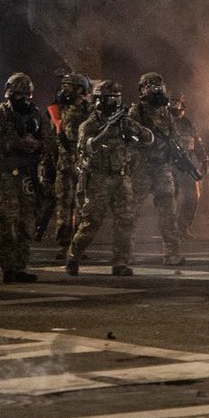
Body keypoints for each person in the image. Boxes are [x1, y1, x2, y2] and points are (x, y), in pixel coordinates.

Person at [66, 80, 153, 276]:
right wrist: (104, 134)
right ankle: (73, 255)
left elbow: (149, 138)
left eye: (116, 98)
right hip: (98, 178)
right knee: (91, 222)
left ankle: (120, 262)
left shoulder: (125, 122)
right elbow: (85, 147)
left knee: (126, 221)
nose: (113, 102)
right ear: (98, 101)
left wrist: (134, 134)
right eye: (109, 99)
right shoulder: (88, 125)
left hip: (122, 178)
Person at [0, 73, 57, 282]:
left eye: (27, 95)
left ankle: (20, 266)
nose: (24, 99)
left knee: (26, 222)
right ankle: (8, 268)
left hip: (29, 176)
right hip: (8, 174)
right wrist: (13, 144)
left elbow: (51, 141)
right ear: (10, 94)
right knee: (9, 222)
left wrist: (38, 145)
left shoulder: (36, 116)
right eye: (19, 95)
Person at [129, 72, 186, 266]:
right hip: (141, 167)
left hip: (162, 167)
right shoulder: (136, 112)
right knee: (131, 211)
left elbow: (175, 137)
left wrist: (176, 152)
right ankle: (125, 252)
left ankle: (172, 252)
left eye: (158, 87)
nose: (156, 92)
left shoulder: (166, 114)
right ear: (143, 90)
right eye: (151, 88)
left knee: (169, 211)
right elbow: (129, 138)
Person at [46, 71, 92, 259]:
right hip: (64, 164)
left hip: (84, 163)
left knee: (82, 205)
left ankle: (78, 243)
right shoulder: (59, 110)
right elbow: (51, 137)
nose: (65, 91)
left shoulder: (90, 112)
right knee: (64, 203)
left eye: (69, 87)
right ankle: (64, 243)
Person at [170, 95, 209, 239]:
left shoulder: (187, 123)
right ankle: (169, 229)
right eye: (171, 103)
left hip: (186, 163)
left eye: (177, 103)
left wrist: (204, 160)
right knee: (168, 198)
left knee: (192, 196)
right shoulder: (164, 122)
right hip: (168, 164)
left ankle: (183, 227)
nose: (174, 106)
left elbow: (197, 142)